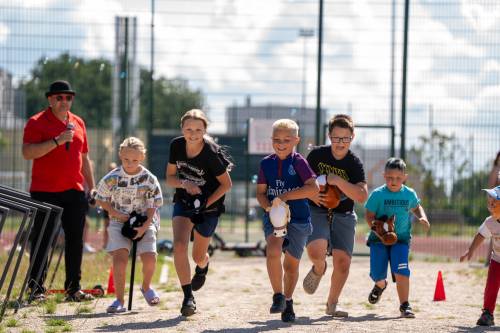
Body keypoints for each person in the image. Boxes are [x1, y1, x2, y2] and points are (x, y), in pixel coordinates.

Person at [22, 80, 95, 301]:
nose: (64, 101)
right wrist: (57, 140)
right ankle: (35, 289)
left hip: (74, 190)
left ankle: (73, 289)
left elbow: (84, 158)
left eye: (68, 97)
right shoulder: (36, 122)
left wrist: (91, 187)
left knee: (75, 240)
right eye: (59, 97)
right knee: (43, 239)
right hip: (45, 191)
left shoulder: (78, 122)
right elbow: (27, 153)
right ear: (50, 100)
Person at [165, 109, 233, 316]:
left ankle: (203, 265)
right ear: (182, 129)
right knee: (178, 246)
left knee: (197, 256)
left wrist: (204, 204)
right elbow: (169, 178)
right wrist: (184, 183)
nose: (193, 133)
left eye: (198, 129)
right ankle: (188, 298)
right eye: (188, 129)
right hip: (185, 201)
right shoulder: (176, 145)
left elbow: (226, 185)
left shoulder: (210, 152)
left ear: (205, 130)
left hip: (209, 206)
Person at [302, 114, 368, 317]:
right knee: (315, 252)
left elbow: (362, 196)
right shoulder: (316, 156)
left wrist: (338, 181)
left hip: (344, 214)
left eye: (345, 138)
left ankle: (332, 304)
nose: (340, 143)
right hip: (317, 208)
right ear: (329, 136)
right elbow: (303, 183)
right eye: (336, 138)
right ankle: (319, 268)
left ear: (352, 137)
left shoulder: (354, 163)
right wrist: (314, 196)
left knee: (343, 263)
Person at [256, 119, 318, 322]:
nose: (281, 143)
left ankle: (289, 301)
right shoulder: (266, 163)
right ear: (271, 140)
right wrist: (270, 208)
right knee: (273, 250)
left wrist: (285, 197)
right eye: (277, 139)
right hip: (274, 218)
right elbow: (261, 193)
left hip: (299, 218)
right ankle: (278, 295)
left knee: (291, 266)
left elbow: (312, 188)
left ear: (296, 140)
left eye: (286, 140)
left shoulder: (299, 162)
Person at [95, 137, 163, 313]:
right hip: (119, 221)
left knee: (150, 257)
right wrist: (116, 213)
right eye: (126, 159)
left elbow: (153, 206)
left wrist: (144, 227)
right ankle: (119, 300)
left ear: (142, 157)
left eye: (135, 160)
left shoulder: (149, 179)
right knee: (120, 259)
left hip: (144, 221)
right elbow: (101, 199)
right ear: (120, 155)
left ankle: (146, 287)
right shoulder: (113, 178)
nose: (130, 163)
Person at [364, 157, 430, 318]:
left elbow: (416, 207)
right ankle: (380, 285)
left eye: (398, 178)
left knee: (402, 270)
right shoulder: (377, 195)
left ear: (405, 177)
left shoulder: (409, 194)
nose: (394, 181)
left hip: (401, 239)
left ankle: (405, 305)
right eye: (390, 178)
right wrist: (378, 230)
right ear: (384, 175)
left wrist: (423, 217)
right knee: (377, 273)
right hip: (378, 241)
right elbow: (369, 215)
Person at [460, 185, 500, 326]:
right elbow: (480, 235)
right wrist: (470, 251)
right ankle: (487, 314)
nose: (490, 204)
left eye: (494, 202)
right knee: (491, 285)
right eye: (489, 202)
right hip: (497, 260)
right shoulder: (490, 222)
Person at [485, 151, 500, 266]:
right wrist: (491, 205)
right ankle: (490, 261)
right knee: (495, 234)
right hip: (497, 206)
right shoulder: (496, 169)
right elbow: (490, 189)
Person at [100, 161, 118, 250]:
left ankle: (113, 245)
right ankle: (105, 244)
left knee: (115, 226)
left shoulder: (119, 180)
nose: (112, 170)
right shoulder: (106, 180)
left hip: (116, 207)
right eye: (110, 169)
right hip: (107, 207)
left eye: (113, 169)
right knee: (106, 226)